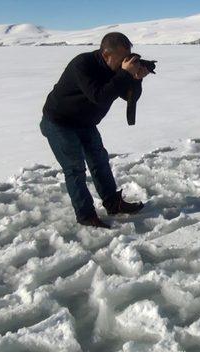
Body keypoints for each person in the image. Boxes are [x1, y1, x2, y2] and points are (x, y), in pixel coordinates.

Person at [40, 32, 148, 229]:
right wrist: (124, 74)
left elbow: (128, 97)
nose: (126, 61)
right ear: (106, 54)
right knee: (75, 169)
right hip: (59, 122)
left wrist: (136, 78)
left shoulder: (117, 69)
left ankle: (113, 204)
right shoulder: (82, 65)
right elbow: (99, 96)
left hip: (86, 123)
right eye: (122, 57)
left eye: (128, 56)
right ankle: (86, 216)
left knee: (100, 162)